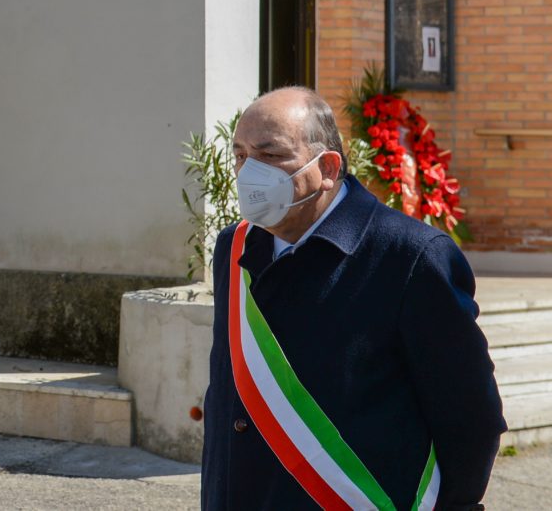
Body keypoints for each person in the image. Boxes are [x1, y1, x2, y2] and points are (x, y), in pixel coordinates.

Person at [201, 87, 506, 510]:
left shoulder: (411, 256)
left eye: (270, 154)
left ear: (327, 167)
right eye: (240, 155)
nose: (249, 171)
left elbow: (471, 418)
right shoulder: (233, 247)